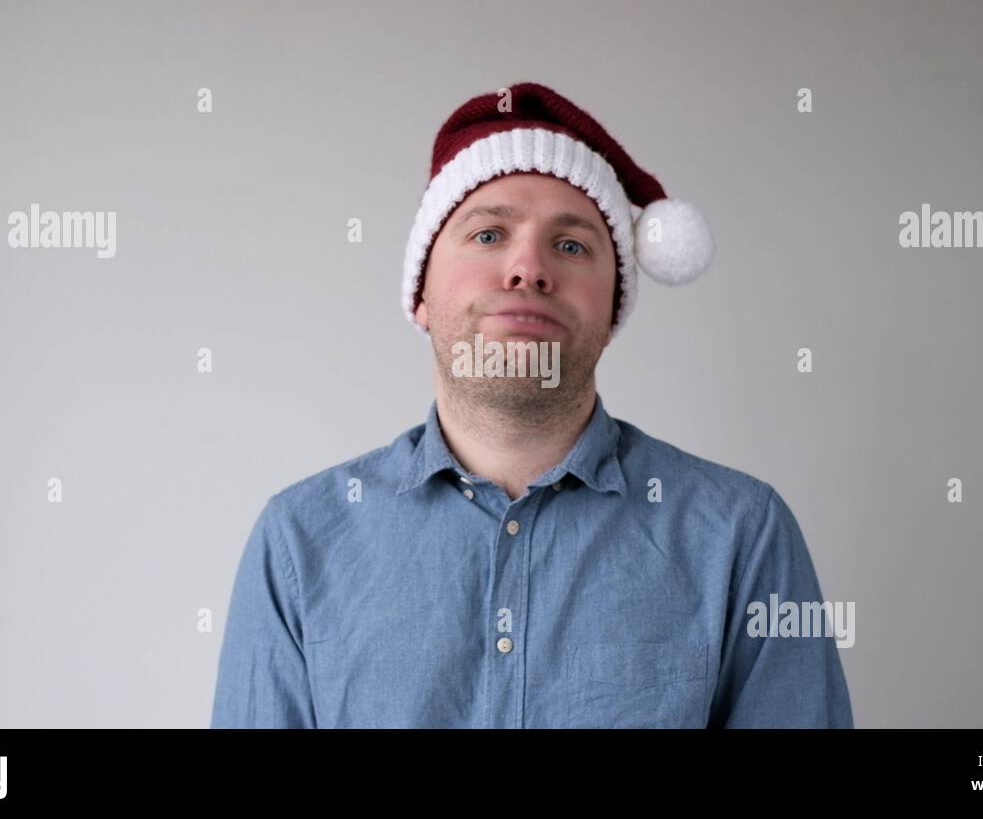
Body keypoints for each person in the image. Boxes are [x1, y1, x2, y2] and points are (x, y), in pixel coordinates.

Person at [211, 82, 852, 728]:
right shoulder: (295, 544)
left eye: (570, 245)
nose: (528, 268)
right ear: (421, 294)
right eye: (488, 234)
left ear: (611, 309)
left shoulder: (743, 535)